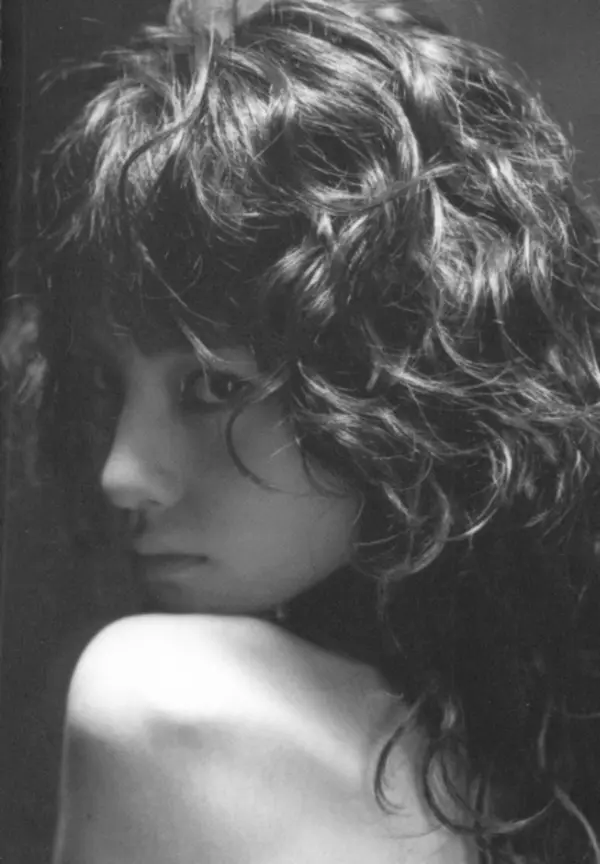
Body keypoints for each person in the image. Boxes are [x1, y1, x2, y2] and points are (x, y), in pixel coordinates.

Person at [14, 0, 600, 860]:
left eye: (213, 385)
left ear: (396, 371)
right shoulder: (518, 761)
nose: (122, 472)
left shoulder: (160, 697)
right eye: (109, 387)